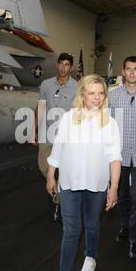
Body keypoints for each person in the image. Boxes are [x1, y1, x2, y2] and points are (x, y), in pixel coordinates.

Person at [46, 74, 122, 271]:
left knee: (92, 225)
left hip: (96, 185)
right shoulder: (68, 118)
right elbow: (58, 147)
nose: (97, 98)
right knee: (71, 230)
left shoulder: (110, 123)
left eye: (100, 93)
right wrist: (51, 175)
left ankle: (91, 257)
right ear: (82, 95)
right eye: (92, 93)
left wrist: (113, 187)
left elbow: (115, 158)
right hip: (69, 183)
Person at [109, 56, 136, 259]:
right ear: (123, 72)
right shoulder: (113, 96)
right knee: (122, 196)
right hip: (119, 156)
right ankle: (124, 226)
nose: (132, 72)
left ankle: (135, 239)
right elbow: (105, 126)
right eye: (129, 69)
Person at [32, 53, 78, 222]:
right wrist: (34, 131)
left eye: (67, 64)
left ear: (71, 67)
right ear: (57, 65)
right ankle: (59, 196)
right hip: (47, 133)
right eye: (60, 64)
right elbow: (40, 107)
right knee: (44, 167)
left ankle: (62, 204)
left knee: (65, 171)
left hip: (68, 136)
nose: (63, 67)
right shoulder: (46, 85)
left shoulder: (77, 87)